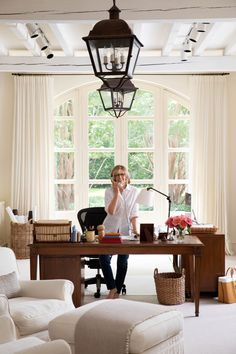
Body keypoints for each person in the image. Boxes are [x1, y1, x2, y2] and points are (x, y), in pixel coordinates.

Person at [99, 165, 139, 299]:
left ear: (127, 177)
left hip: (125, 230)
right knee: (103, 258)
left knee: (123, 261)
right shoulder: (109, 191)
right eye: (116, 175)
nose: (120, 176)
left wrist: (136, 230)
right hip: (110, 230)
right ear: (113, 178)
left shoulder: (134, 191)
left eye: (122, 174)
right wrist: (117, 193)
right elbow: (111, 211)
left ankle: (117, 291)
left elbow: (134, 214)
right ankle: (112, 287)